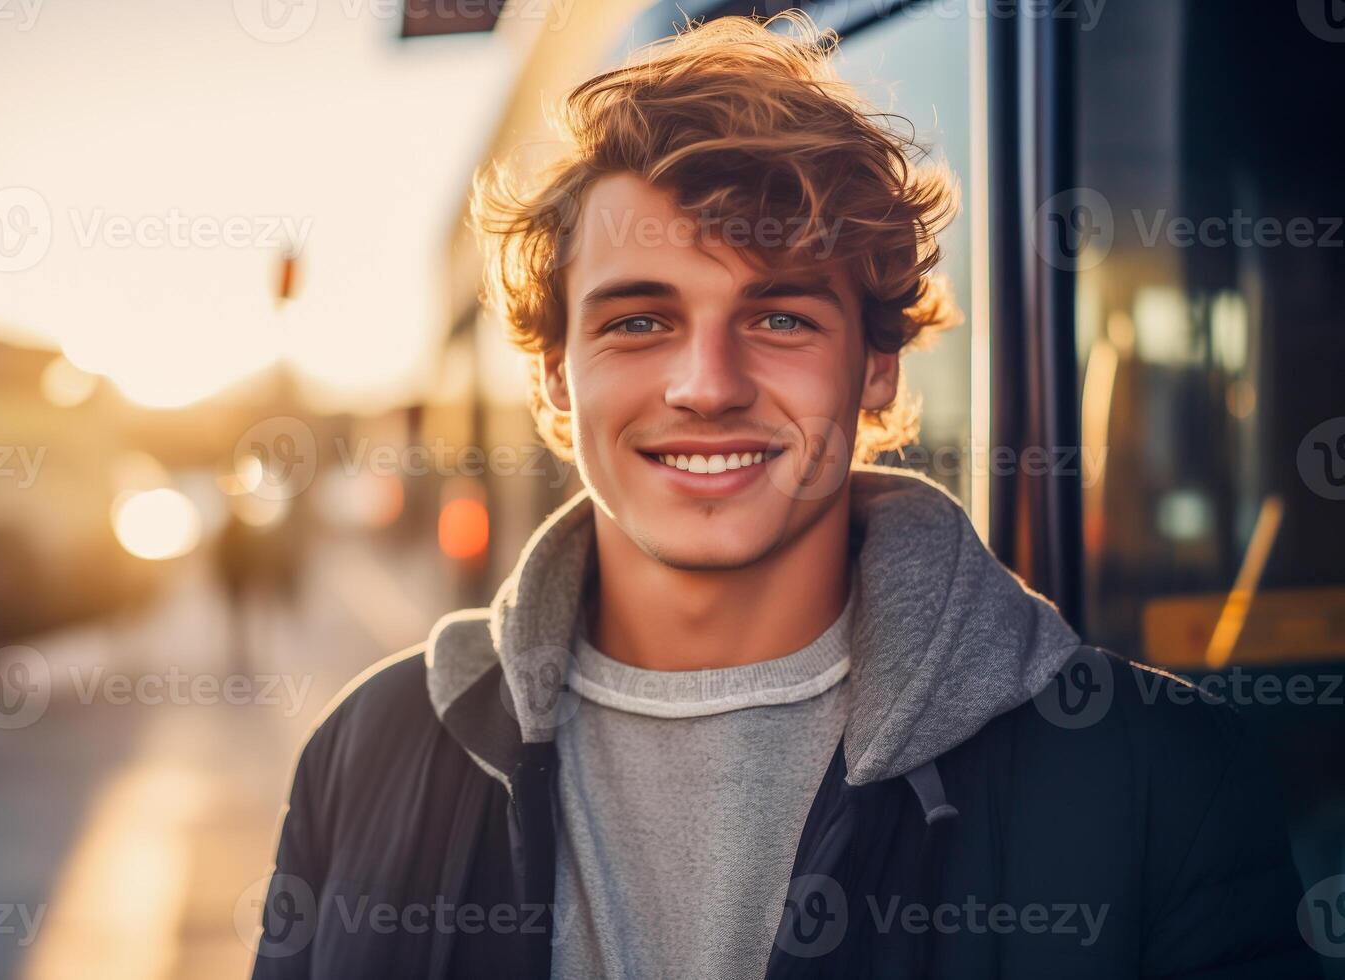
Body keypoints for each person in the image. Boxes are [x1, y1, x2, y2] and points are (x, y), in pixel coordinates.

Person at [251, 12, 1318, 979]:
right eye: (638, 320)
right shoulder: (364, 754)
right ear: (551, 378)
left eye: (780, 317)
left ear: (878, 369)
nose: (706, 384)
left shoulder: (1162, 785)